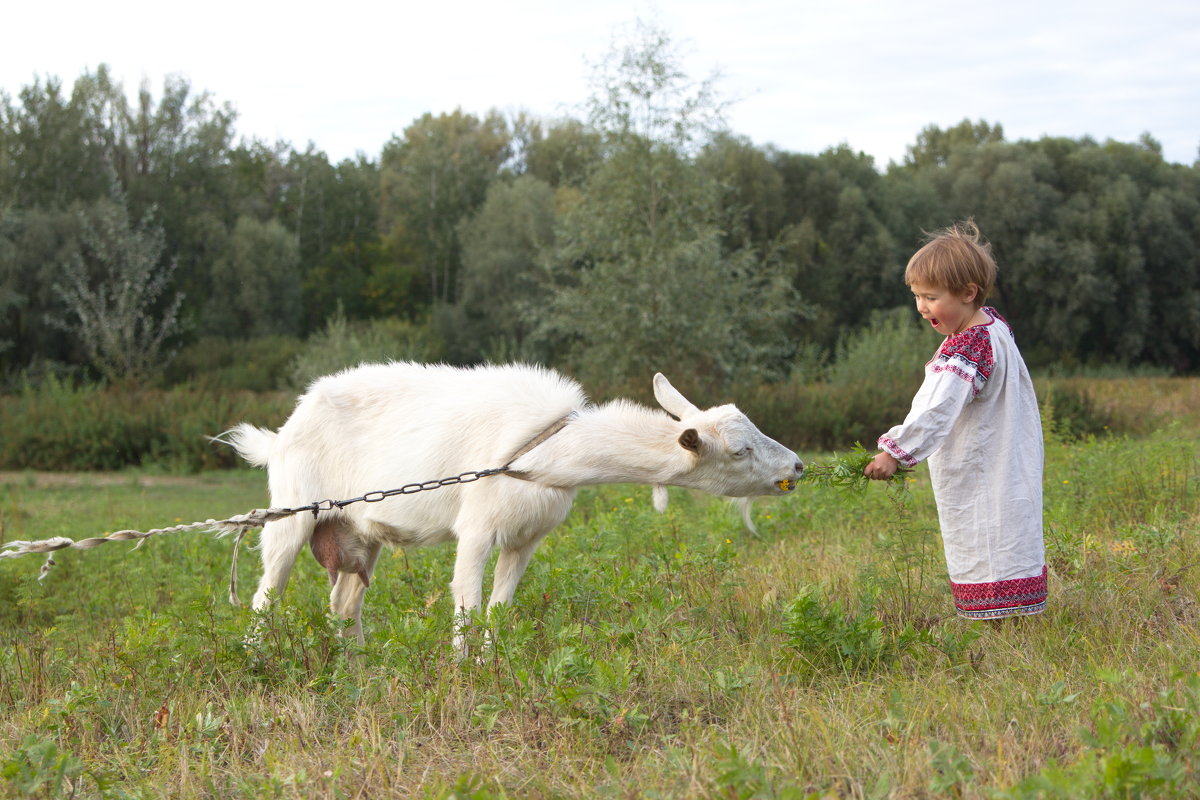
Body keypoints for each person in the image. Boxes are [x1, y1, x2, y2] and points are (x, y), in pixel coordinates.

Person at [864, 220, 1046, 620]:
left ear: (968, 294)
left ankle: (999, 622)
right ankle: (1014, 615)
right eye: (917, 296)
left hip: (982, 460)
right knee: (1007, 528)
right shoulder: (993, 325)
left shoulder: (967, 346)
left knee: (983, 532)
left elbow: (936, 408)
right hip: (1008, 454)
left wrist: (895, 452)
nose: (921, 307)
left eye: (931, 296)